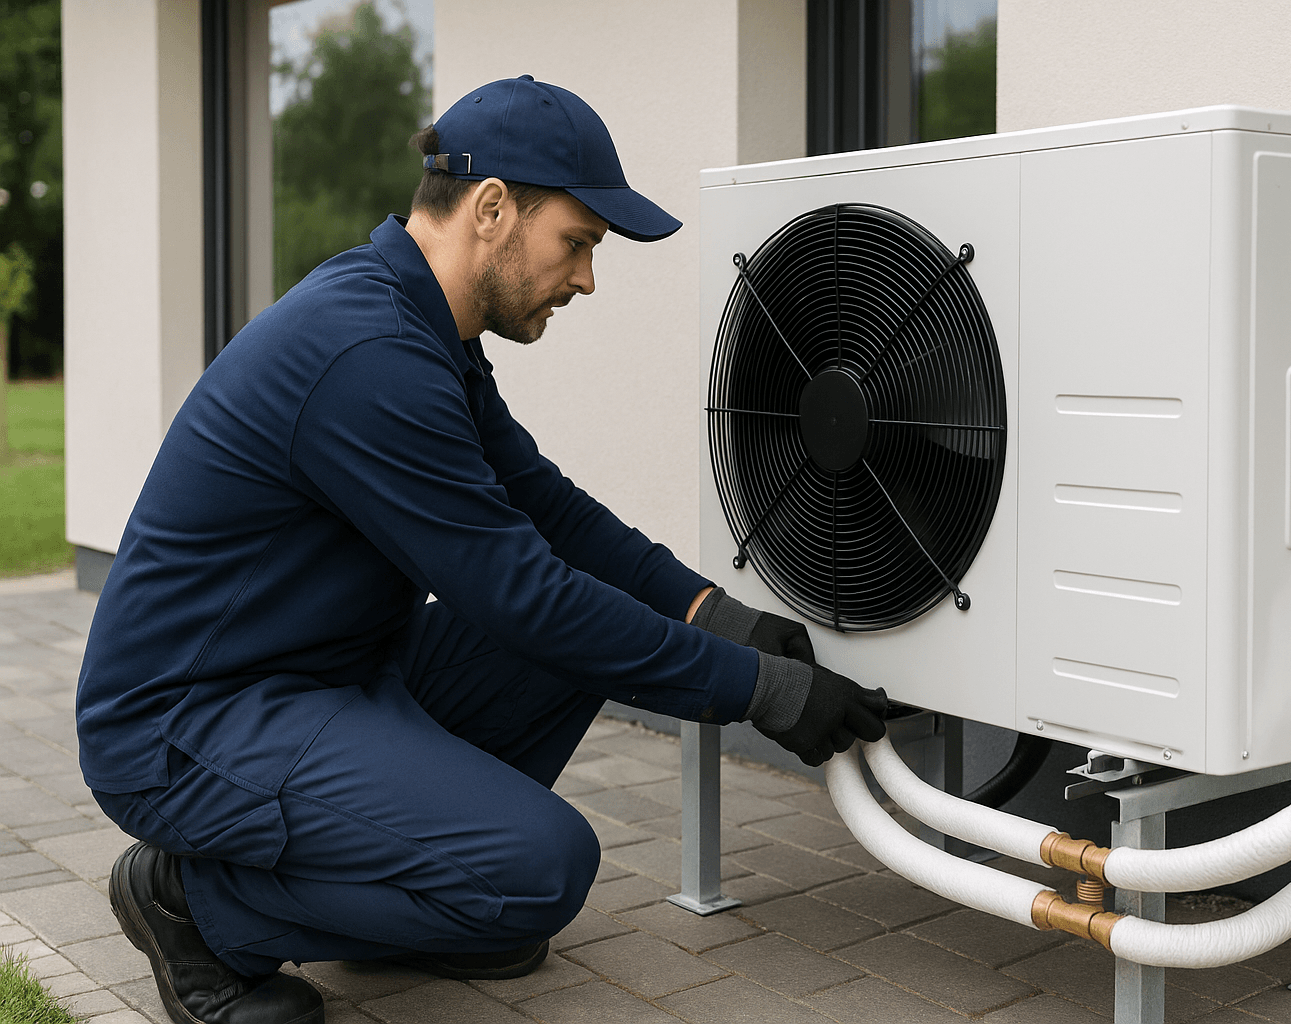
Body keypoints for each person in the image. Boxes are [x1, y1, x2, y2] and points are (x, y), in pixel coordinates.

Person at [77, 76, 887, 1024]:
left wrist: (725, 617)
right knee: (542, 869)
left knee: (509, 840)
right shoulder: (365, 353)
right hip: (189, 726)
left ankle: (423, 897)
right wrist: (765, 693)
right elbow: (521, 597)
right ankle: (192, 904)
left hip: (322, 679)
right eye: (578, 242)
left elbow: (548, 513)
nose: (587, 277)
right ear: (494, 208)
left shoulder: (423, 328)